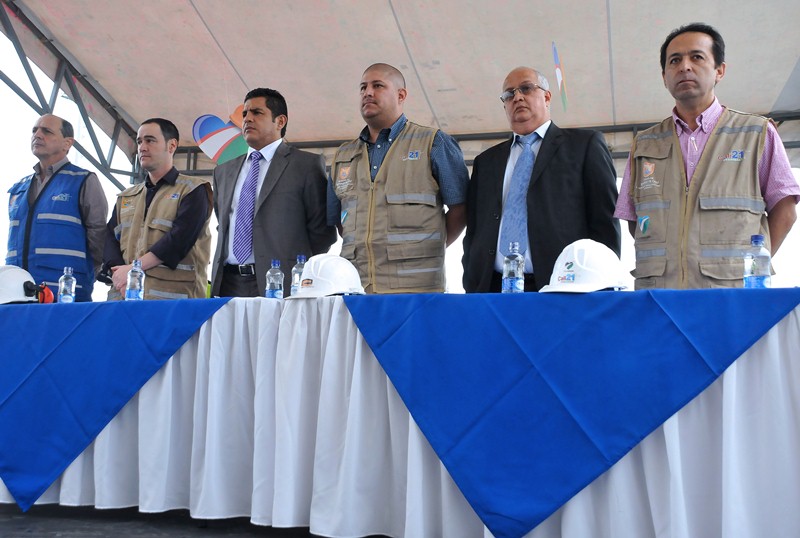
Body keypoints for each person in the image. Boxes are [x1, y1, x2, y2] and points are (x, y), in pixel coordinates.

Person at [614, 22, 800, 289]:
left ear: (719, 71)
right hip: (659, 295)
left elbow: (785, 211)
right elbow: (635, 222)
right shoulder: (644, 144)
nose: (684, 66)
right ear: (664, 76)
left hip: (731, 294)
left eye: (697, 57)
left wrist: (752, 267)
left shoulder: (755, 133)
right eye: (674, 60)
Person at [462, 67, 621, 293]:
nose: (517, 97)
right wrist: (472, 280)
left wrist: (603, 285)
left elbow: (605, 220)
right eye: (509, 94)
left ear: (546, 97)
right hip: (492, 288)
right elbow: (474, 231)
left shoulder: (583, 145)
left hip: (564, 288)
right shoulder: (486, 162)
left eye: (526, 88)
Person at [327, 63, 469, 294]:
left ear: (401, 95)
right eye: (363, 87)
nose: (367, 92)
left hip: (416, 288)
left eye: (377, 86)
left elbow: (460, 209)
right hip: (357, 286)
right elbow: (338, 221)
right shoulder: (344, 155)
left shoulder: (433, 142)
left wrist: (427, 249)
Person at [210, 88, 335, 297]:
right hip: (227, 283)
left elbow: (322, 232)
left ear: (280, 121)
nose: (247, 119)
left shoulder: (305, 165)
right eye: (244, 114)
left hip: (280, 282)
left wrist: (293, 265)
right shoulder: (223, 171)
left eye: (257, 113)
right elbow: (222, 224)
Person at [103, 118, 211, 299]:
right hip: (123, 297)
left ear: (172, 146)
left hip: (172, 301)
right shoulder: (126, 196)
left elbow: (178, 241)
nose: (142, 147)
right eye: (139, 142)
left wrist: (131, 270)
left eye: (150, 140)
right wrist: (120, 275)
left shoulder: (193, 190)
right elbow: (109, 240)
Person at [6, 114, 108, 301]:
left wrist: (86, 275)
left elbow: (98, 236)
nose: (37, 135)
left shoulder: (83, 180)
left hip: (64, 291)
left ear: (67, 143)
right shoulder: (18, 188)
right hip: (18, 292)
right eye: (34, 130)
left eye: (46, 131)